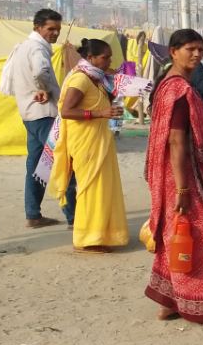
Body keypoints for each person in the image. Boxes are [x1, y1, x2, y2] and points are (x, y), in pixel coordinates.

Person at [144, 29, 203, 324]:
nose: (196, 55)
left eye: (200, 50)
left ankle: (168, 301)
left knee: (176, 235)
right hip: (184, 177)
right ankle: (199, 303)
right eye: (190, 49)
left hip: (172, 174)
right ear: (173, 51)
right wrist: (183, 189)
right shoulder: (179, 91)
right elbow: (177, 141)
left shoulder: (170, 85)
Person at [47, 38, 150, 252]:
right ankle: (89, 238)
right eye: (105, 57)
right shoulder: (81, 79)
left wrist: (114, 93)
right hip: (85, 141)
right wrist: (100, 113)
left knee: (104, 188)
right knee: (89, 189)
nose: (108, 61)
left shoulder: (97, 78)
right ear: (91, 58)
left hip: (99, 138)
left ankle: (106, 234)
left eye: (110, 57)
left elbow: (101, 101)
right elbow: (66, 111)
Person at [0, 8, 75, 228]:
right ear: (37, 27)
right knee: (63, 162)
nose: (55, 33)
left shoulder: (24, 47)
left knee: (36, 165)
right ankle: (74, 216)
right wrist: (47, 90)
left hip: (29, 115)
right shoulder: (38, 49)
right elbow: (41, 72)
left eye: (57, 29)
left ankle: (33, 214)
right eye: (50, 29)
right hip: (44, 114)